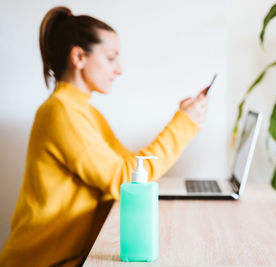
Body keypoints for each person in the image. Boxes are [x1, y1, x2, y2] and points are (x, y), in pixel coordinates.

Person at [0, 6, 209, 267]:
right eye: (111, 58)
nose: (119, 69)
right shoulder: (61, 112)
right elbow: (123, 180)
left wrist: (183, 120)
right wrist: (184, 124)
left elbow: (131, 169)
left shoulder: (82, 111)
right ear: (78, 57)